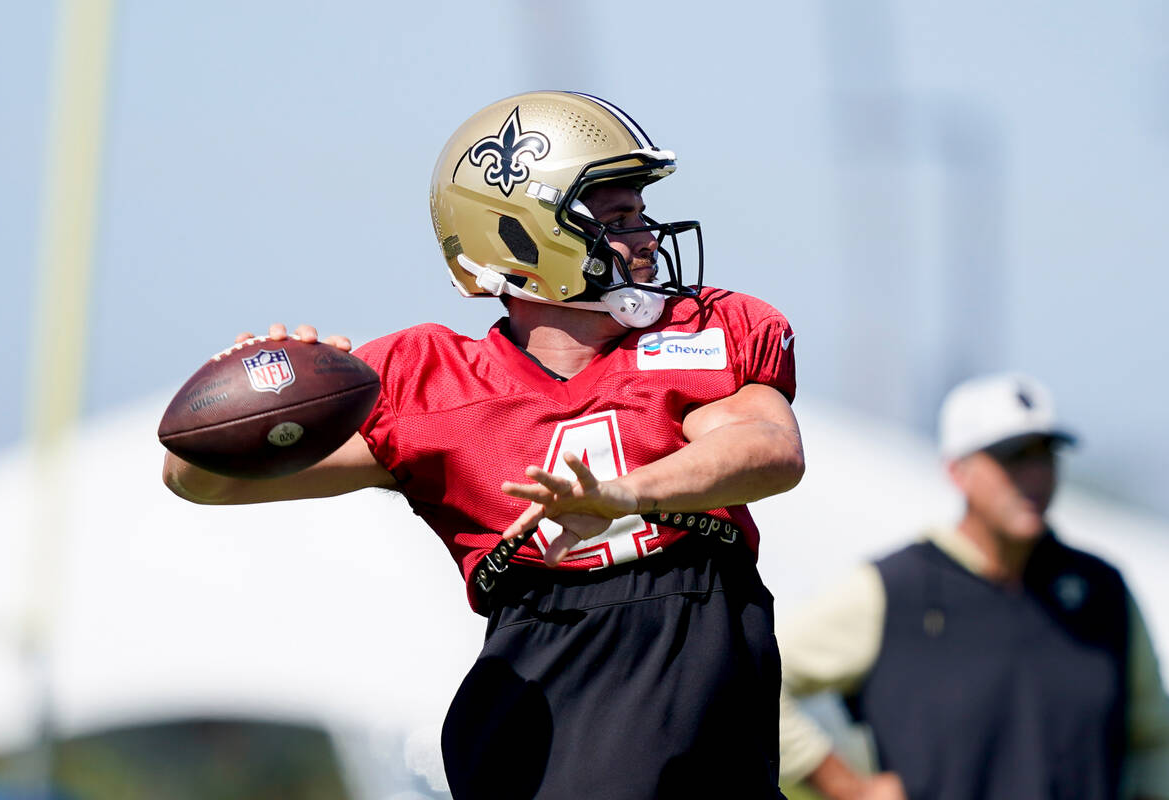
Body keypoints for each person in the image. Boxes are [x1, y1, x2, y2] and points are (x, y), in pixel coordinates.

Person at [162, 91, 805, 799]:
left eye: (640, 214)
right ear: (526, 233)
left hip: (697, 650)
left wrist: (626, 493)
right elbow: (203, 479)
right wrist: (260, 392)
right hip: (548, 688)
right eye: (616, 219)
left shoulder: (704, 329)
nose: (647, 235)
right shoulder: (426, 379)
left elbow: (769, 446)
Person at [776, 373, 1169, 800]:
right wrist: (848, 787)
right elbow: (759, 673)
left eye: (1046, 454)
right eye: (1012, 456)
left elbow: (1156, 734)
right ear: (958, 471)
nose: (1035, 475)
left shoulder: (1101, 591)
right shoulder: (895, 589)